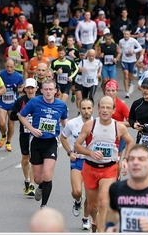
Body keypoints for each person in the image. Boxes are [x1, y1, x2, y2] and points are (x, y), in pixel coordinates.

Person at [74, 96, 134, 233]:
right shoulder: (90, 125)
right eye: (103, 107)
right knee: (93, 206)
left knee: (103, 203)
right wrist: (90, 152)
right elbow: (77, 146)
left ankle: (101, 230)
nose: (105, 110)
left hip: (109, 169)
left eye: (108, 108)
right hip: (90, 168)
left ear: (114, 110)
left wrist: (125, 159)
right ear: (98, 109)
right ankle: (95, 220)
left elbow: (130, 142)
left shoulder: (119, 127)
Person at [19, 80, 68, 209]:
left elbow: (64, 119)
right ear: (41, 91)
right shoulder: (35, 102)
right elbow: (21, 115)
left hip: (51, 141)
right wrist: (32, 129)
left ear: (55, 91)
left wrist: (69, 132)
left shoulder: (61, 105)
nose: (48, 92)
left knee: (47, 174)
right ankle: (41, 186)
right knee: (38, 178)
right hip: (36, 142)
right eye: (45, 89)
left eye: (50, 89)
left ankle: (44, 205)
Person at [60, 98, 94, 230]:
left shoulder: (98, 123)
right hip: (78, 160)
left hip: (92, 161)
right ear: (79, 109)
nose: (86, 111)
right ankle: (77, 201)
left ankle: (85, 219)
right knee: (77, 191)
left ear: (93, 109)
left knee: (90, 194)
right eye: (83, 108)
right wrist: (70, 152)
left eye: (88, 108)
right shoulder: (72, 123)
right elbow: (63, 137)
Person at [10, 78, 38, 196]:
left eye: (32, 88)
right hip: (25, 133)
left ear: (36, 89)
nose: (30, 90)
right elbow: (12, 116)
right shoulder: (20, 101)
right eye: (28, 88)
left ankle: (32, 184)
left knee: (33, 159)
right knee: (26, 158)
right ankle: (27, 180)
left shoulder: (40, 100)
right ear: (25, 89)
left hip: (36, 134)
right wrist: (22, 118)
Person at [104, 80, 131, 178]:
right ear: (105, 91)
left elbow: (131, 123)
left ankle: (116, 180)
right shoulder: (102, 103)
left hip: (119, 136)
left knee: (116, 161)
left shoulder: (121, 105)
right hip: (105, 135)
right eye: (108, 90)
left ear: (117, 91)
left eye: (113, 90)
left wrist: (116, 123)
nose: (110, 93)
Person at [0, 58, 24, 151]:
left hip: (13, 103)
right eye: (7, 67)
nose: (9, 69)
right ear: (5, 66)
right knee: (2, 123)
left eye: (11, 67)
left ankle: (8, 142)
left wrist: (18, 90)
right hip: (2, 102)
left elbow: (22, 88)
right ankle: (3, 135)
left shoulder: (19, 76)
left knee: (11, 125)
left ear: (14, 66)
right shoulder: (0, 74)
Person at [119, 30, 143, 99]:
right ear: (123, 35)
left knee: (130, 77)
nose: (126, 35)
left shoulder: (133, 41)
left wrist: (134, 51)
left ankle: (130, 82)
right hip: (124, 60)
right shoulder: (121, 41)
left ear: (130, 35)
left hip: (132, 60)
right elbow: (120, 49)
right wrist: (119, 56)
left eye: (127, 34)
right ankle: (127, 91)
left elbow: (140, 48)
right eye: (125, 34)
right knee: (125, 75)